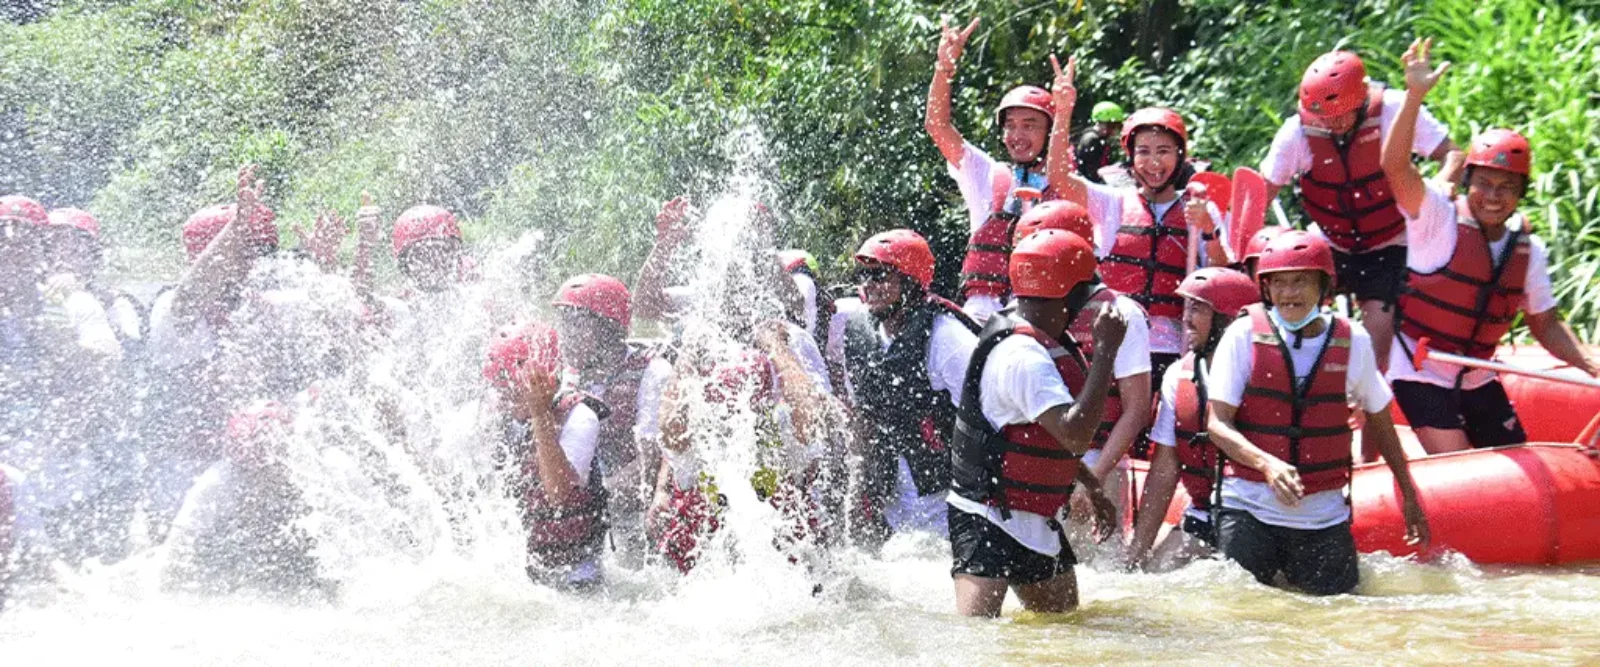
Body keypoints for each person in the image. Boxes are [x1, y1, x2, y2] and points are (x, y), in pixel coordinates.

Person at [1380, 38, 1600, 453]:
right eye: (1484, 183)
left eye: (1506, 187)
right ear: (1468, 183)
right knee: (1460, 461)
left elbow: (1546, 325)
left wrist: (1590, 365)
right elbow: (1395, 166)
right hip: (1419, 368)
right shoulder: (1436, 217)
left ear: (1520, 194)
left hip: (1477, 374)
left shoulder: (1528, 251)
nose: (1494, 196)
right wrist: (1414, 95)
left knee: (1516, 467)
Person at [1204, 230, 1428, 595]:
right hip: (1248, 509)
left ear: (1323, 286)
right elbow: (1217, 423)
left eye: (1300, 282)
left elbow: (1382, 421)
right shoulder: (1242, 335)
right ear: (1266, 288)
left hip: (1324, 515)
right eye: (1279, 283)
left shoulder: (1353, 340)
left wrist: (1410, 496)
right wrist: (1268, 464)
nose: (1289, 293)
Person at [946, 228, 1125, 616]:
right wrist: (1106, 351)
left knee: (1065, 632)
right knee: (974, 644)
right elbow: (1075, 435)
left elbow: (1043, 438)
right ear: (1070, 297)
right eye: (1087, 295)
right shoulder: (1023, 356)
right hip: (987, 514)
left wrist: (1093, 488)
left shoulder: (1040, 338)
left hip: (1034, 515)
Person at [1260, 49, 1458, 372]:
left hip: (1389, 243)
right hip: (1329, 243)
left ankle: (1368, 411)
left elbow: (1452, 154)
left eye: (1340, 114)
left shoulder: (1394, 108)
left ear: (1362, 100)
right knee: (1291, 318)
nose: (1332, 123)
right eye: (1324, 116)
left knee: (1376, 338)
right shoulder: (1296, 132)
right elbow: (1261, 193)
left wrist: (1441, 187)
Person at [142, 165, 280, 538]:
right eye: (243, 252)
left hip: (240, 464)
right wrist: (235, 229)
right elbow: (188, 297)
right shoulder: (173, 311)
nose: (253, 263)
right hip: (183, 472)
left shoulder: (258, 307)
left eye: (257, 251)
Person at [1058, 103, 1230, 387]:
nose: (1153, 163)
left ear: (1180, 155)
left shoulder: (1200, 210)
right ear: (1131, 157)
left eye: (1163, 151)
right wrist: (1063, 112)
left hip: (1174, 347)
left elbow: (1221, 277)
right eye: (1143, 152)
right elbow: (1060, 179)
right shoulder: (1113, 202)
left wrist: (1210, 232)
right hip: (1115, 342)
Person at [0, 194, 124, 571]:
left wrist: (60, 344)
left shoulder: (70, 302)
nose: (11, 252)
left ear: (42, 250)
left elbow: (109, 360)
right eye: (4, 243)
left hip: (56, 448)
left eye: (23, 243)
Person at [838, 230, 979, 544]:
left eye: (880, 275)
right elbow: (862, 417)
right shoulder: (860, 334)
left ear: (912, 282)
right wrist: (859, 486)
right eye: (864, 275)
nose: (868, 285)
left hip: (946, 494)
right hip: (891, 492)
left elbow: (988, 417)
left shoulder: (947, 339)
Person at [925, 16, 1063, 322]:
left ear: (1051, 132)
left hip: (1039, 317)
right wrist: (944, 68)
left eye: (1030, 126)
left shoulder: (1067, 188)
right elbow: (937, 126)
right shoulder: (988, 175)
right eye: (1011, 126)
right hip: (983, 316)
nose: (1017, 136)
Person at [1128, 267, 1257, 570]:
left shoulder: (1266, 375)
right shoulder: (1178, 375)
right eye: (1187, 307)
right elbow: (1164, 470)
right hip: (1203, 514)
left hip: (1258, 517)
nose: (1185, 319)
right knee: (1151, 579)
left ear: (1226, 319)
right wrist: (1137, 553)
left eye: (1197, 309)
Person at [550, 274, 673, 567]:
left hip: (632, 511)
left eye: (577, 322)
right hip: (584, 505)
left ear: (608, 329)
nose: (565, 333)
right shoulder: (560, 372)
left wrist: (596, 493)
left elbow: (651, 463)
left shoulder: (654, 373)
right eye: (563, 321)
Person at [483, 321, 611, 591]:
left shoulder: (579, 417)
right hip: (525, 563)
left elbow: (559, 495)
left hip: (576, 568)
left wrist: (539, 413)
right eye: (498, 386)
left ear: (546, 380)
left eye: (508, 387)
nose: (502, 396)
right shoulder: (498, 415)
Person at [1076, 102, 1125, 184]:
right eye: (1114, 126)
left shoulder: (1096, 138)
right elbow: (1091, 172)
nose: (1115, 131)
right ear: (1107, 124)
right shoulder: (1092, 140)